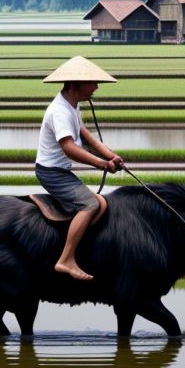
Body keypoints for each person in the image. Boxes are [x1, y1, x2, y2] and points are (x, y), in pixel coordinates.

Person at [35, 56, 123, 281]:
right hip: (51, 172)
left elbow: (86, 135)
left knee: (101, 203)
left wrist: (110, 154)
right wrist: (102, 164)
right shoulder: (60, 111)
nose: (96, 87)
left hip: (60, 171)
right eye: (92, 82)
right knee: (90, 203)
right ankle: (66, 259)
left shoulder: (71, 107)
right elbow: (69, 148)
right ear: (76, 84)